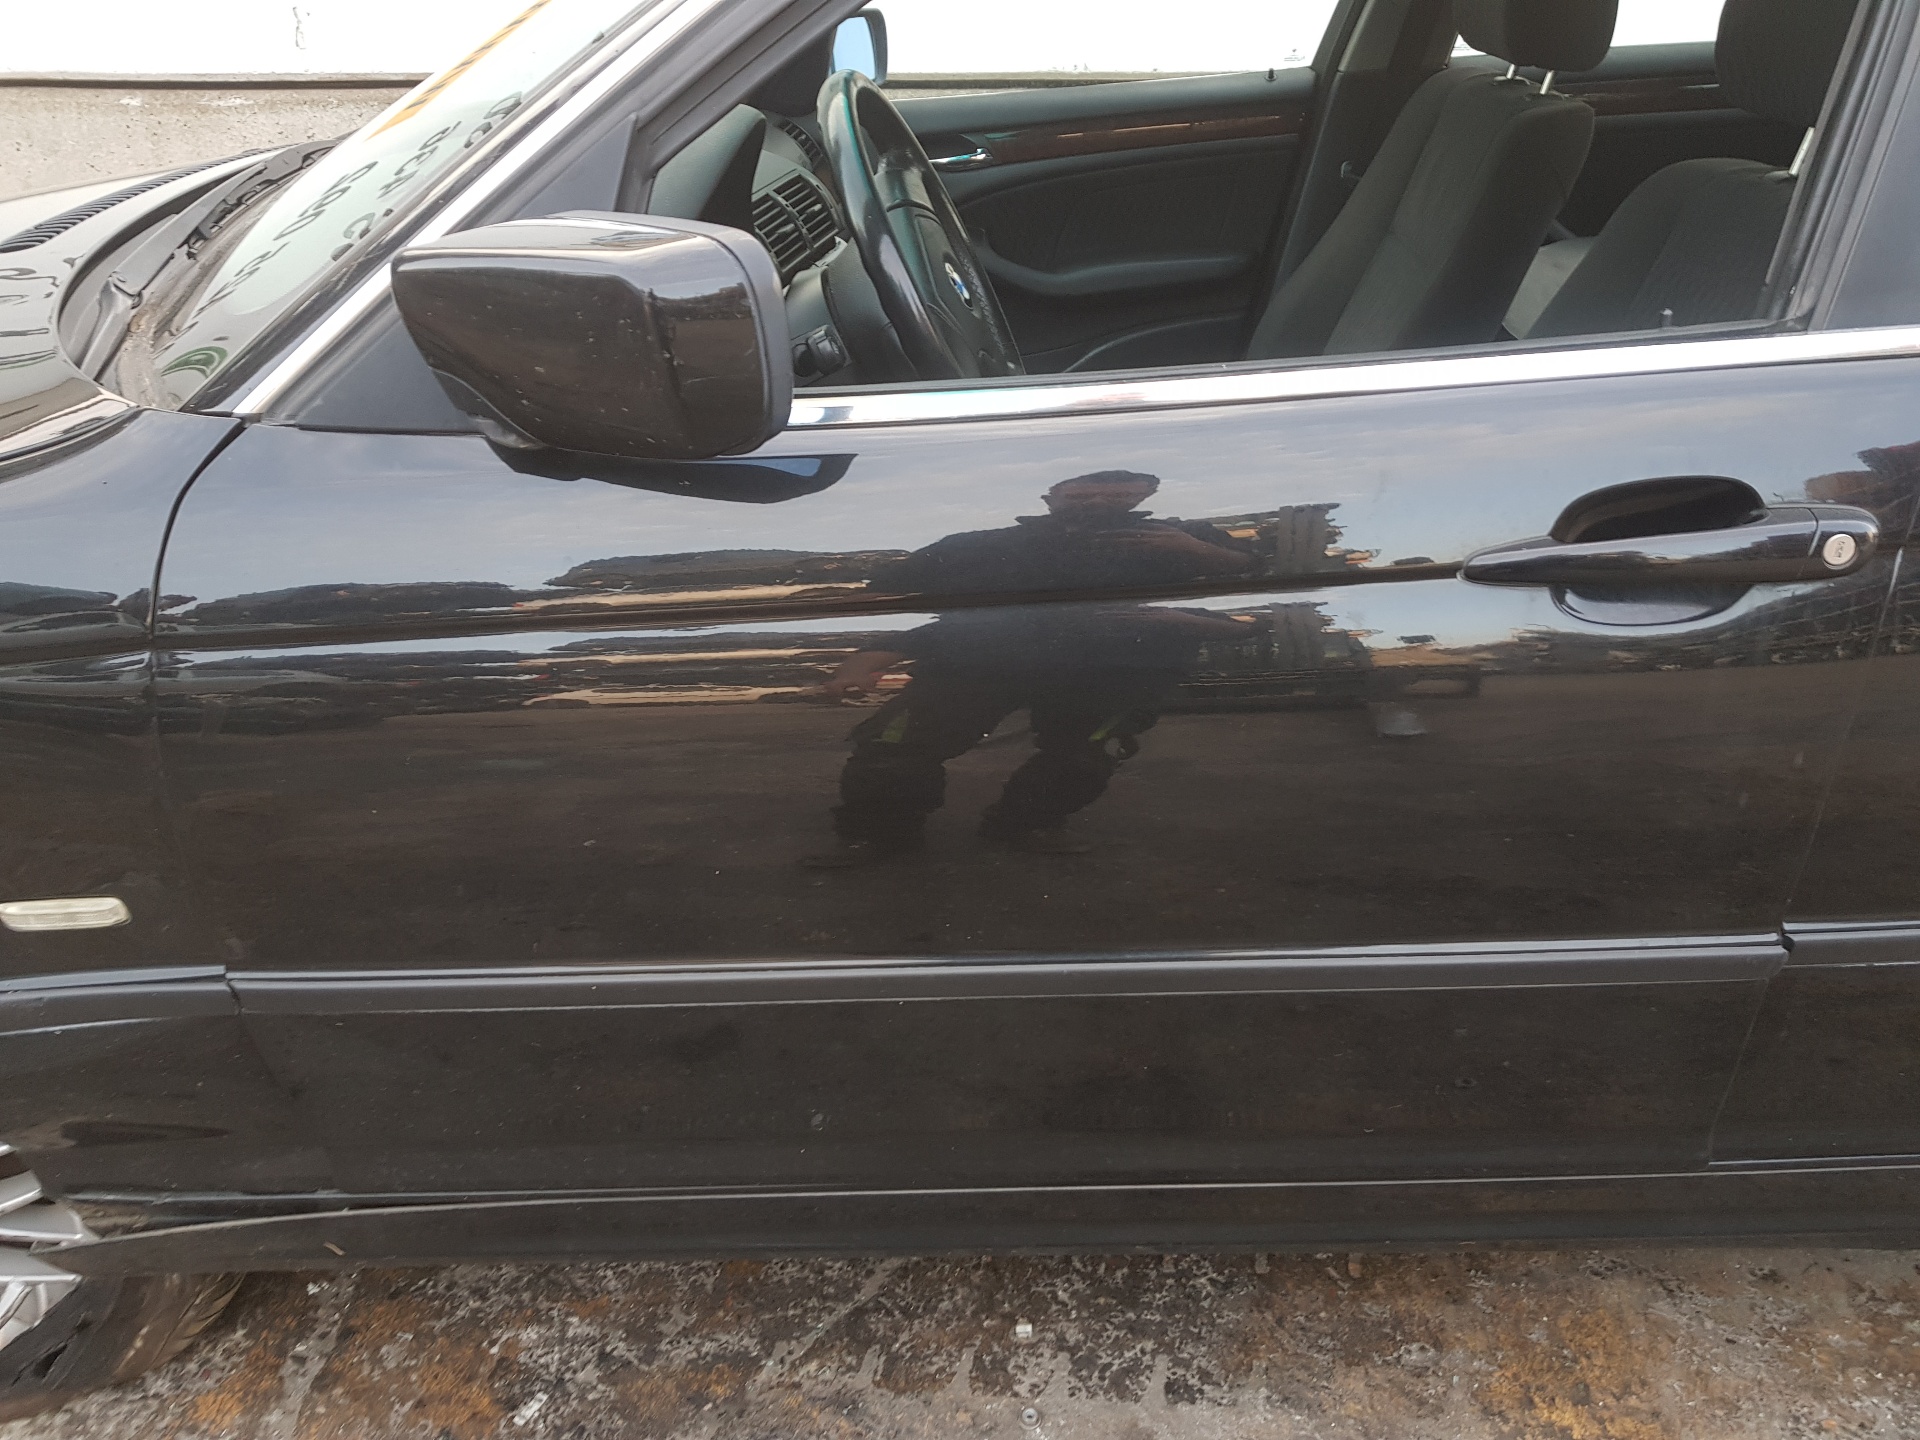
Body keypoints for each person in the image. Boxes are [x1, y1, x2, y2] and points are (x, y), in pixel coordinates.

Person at [805, 471, 1258, 866]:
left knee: (1082, 757)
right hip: (981, 661)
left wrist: (1195, 558)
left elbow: (1255, 606)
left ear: (1144, 497)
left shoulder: (1188, 539)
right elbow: (883, 598)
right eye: (1081, 495)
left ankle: (1025, 825)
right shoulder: (981, 546)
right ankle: (880, 835)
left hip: (1115, 668)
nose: (1099, 502)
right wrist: (866, 658)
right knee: (895, 747)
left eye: (1117, 494)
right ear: (1050, 499)